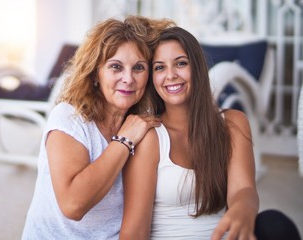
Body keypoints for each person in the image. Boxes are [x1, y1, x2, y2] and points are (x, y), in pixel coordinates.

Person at [119, 26, 302, 240]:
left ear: (197, 67)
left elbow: (243, 189)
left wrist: (243, 208)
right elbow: (134, 232)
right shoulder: (151, 136)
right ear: (152, 78)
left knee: (274, 224)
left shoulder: (233, 123)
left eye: (181, 63)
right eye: (160, 67)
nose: (171, 75)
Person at [21, 16, 174, 239]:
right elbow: (73, 205)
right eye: (116, 67)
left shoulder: (143, 123)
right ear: (95, 73)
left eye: (139, 68)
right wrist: (123, 141)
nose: (128, 78)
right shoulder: (70, 117)